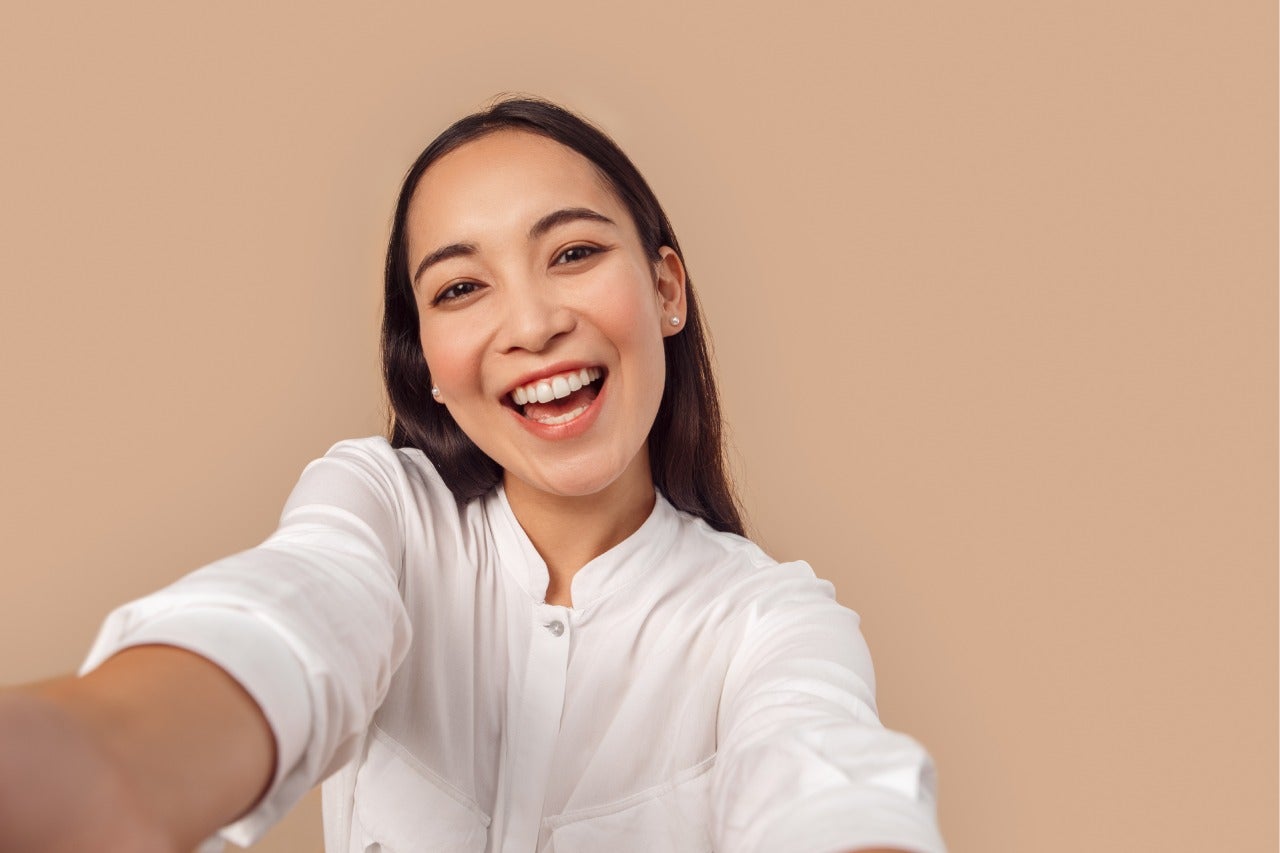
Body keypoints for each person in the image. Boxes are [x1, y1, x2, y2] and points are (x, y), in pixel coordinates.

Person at [0, 97, 945, 853]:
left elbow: (825, 782)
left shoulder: (769, 623)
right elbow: (284, 621)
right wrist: (95, 765)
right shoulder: (383, 513)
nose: (531, 325)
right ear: (430, 367)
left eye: (572, 253)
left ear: (666, 289)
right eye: (461, 286)